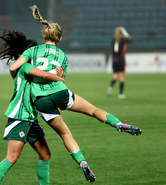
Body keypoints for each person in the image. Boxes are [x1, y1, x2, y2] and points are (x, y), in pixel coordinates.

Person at [9, 5, 142, 183]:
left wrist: (17, 77)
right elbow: (61, 78)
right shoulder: (63, 56)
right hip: (60, 92)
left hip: (41, 101)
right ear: (60, 38)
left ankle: (83, 164)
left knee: (65, 134)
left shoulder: (32, 51)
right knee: (94, 110)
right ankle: (118, 125)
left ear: (43, 36)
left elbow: (14, 67)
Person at [0, 30, 65, 185]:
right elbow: (43, 75)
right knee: (12, 157)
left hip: (30, 118)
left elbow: (46, 78)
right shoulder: (25, 67)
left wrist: (59, 72)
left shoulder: (30, 68)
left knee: (45, 154)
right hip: (20, 116)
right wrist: (58, 77)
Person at [107, 26, 132, 99]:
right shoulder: (123, 40)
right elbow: (130, 39)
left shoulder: (113, 40)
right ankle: (121, 94)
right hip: (121, 61)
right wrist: (125, 32)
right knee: (122, 77)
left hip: (114, 61)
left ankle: (110, 87)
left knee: (115, 77)